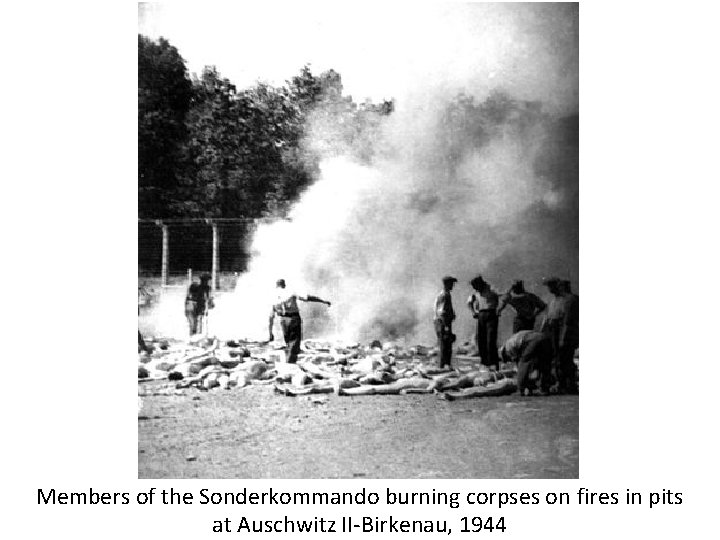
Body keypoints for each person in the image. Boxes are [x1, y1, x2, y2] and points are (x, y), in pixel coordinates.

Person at [268, 279, 331, 364]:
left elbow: (271, 317)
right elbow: (307, 298)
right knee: (294, 344)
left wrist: (270, 333)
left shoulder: (273, 297)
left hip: (283, 320)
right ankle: (290, 365)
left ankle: (288, 362)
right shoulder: (290, 292)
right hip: (293, 319)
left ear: (276, 286)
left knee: (288, 343)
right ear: (284, 285)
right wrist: (322, 301)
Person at [540, 277, 579, 394]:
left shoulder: (570, 300)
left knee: (564, 358)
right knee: (557, 359)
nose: (549, 289)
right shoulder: (554, 301)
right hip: (554, 331)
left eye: (552, 286)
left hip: (563, 332)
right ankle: (562, 383)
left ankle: (568, 384)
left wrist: (563, 337)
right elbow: (547, 319)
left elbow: (567, 320)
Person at [499, 330, 553, 396]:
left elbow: (520, 362)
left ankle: (520, 389)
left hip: (533, 340)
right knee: (544, 363)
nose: (509, 360)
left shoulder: (508, 346)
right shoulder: (514, 339)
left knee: (523, 363)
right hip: (544, 338)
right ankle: (545, 388)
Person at [467, 275, 500, 370]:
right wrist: (473, 312)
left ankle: (493, 363)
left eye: (476, 286)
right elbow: (469, 302)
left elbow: (502, 297)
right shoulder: (475, 292)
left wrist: (499, 309)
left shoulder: (491, 288)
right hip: (481, 314)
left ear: (481, 284)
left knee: (491, 339)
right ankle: (484, 362)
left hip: (491, 313)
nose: (475, 288)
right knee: (481, 340)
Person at [433, 276, 457, 369]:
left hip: (441, 321)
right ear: (447, 284)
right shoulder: (445, 295)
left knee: (445, 343)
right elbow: (442, 311)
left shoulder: (442, 294)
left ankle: (444, 365)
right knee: (445, 344)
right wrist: (446, 326)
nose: (453, 286)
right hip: (443, 322)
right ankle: (443, 366)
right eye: (451, 284)